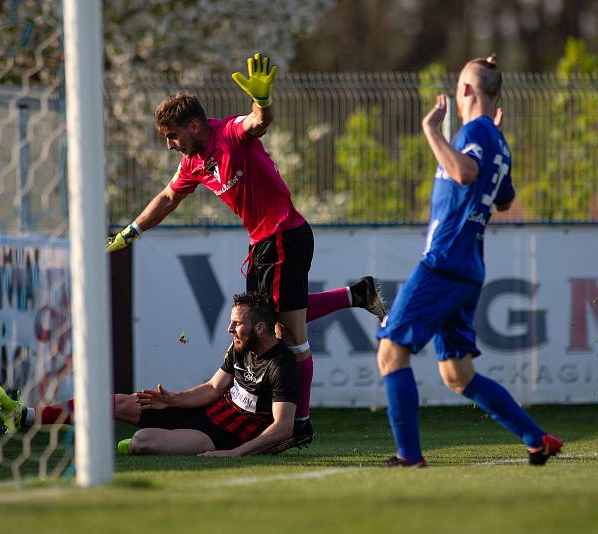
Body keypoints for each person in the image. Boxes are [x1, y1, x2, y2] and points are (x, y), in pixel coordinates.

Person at [104, 52, 387, 450]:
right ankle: (355, 294)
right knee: (271, 318)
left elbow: (259, 122)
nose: (170, 145)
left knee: (288, 335)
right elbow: (168, 197)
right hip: (261, 243)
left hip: (286, 235)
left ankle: (300, 423)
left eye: (172, 136)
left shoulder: (230, 134)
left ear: (196, 125)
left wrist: (263, 100)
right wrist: (132, 230)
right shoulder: (193, 163)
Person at [375, 54, 562, 467]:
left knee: (391, 352)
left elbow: (462, 173)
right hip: (468, 268)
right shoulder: (497, 140)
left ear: (464, 91)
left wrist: (430, 131)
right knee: (457, 374)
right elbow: (506, 198)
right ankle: (536, 438)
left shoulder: (474, 131)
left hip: (444, 263)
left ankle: (409, 457)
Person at [0, 292, 299, 456]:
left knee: (141, 441)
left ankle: (150, 445)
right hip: (205, 413)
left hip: (218, 437)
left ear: (261, 328)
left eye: (237, 324)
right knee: (116, 402)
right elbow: (211, 388)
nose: (229, 329)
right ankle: (26, 416)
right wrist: (173, 399)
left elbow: (283, 428)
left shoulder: (281, 364)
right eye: (231, 323)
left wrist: (236, 454)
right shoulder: (239, 347)